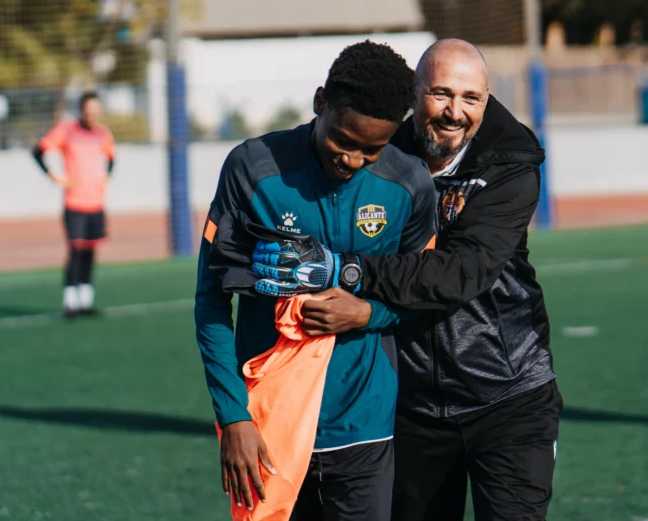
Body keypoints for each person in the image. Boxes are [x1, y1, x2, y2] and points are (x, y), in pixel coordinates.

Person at [252, 39, 561, 521]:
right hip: (410, 406)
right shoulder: (376, 148)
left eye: (470, 98)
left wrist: (343, 269)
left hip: (507, 396)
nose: (454, 112)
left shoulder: (511, 163)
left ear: (486, 99)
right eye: (440, 94)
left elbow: (461, 272)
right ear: (414, 94)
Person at [194, 40, 438, 520]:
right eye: (343, 141)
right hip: (267, 425)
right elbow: (212, 301)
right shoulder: (253, 168)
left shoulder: (410, 184)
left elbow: (422, 289)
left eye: (372, 149)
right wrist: (234, 416)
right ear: (321, 102)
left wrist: (369, 313)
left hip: (364, 422)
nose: (352, 159)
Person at [33, 90, 115, 318]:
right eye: (88, 109)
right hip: (75, 202)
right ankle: (70, 302)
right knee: (75, 251)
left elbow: (111, 157)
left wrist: (106, 177)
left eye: (96, 110)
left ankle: (85, 301)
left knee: (90, 251)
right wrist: (56, 177)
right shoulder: (67, 131)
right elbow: (38, 151)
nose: (92, 114)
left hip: (95, 203)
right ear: (81, 109)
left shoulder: (102, 133)